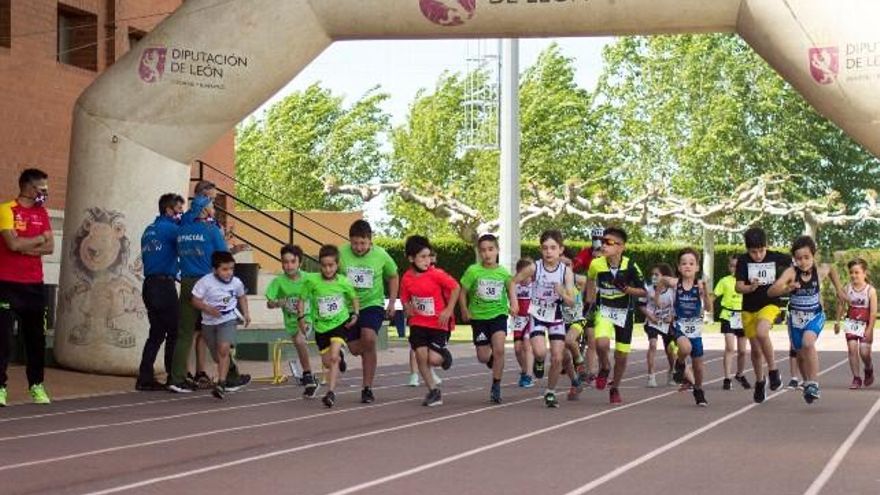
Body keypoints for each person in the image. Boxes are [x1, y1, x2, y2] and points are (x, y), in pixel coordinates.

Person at [168, 200, 249, 393]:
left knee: (185, 333)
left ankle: (177, 378)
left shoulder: (182, 231)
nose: (214, 209)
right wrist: (235, 249)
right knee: (218, 330)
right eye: (212, 205)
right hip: (209, 284)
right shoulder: (211, 230)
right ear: (204, 209)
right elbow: (223, 256)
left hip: (187, 283)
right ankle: (230, 376)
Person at [0, 169, 54, 406]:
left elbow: (50, 246)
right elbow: (11, 243)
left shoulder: (42, 213)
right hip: (6, 284)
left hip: (34, 285)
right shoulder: (6, 210)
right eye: (42, 189)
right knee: (3, 339)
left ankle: (36, 385)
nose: (45, 193)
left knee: (35, 339)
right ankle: (0, 387)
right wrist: (36, 241)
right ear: (29, 188)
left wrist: (26, 246)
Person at [516, 230, 578, 408]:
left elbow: (572, 302)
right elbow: (513, 282)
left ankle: (550, 391)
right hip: (537, 314)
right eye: (545, 248)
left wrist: (562, 294)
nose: (549, 252)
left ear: (561, 250)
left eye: (553, 248)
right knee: (541, 352)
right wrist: (514, 302)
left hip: (556, 316)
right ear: (541, 250)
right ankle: (539, 360)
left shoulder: (566, 272)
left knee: (558, 357)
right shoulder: (534, 267)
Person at [339, 220, 399, 404]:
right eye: (355, 243)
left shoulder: (381, 254)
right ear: (350, 241)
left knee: (370, 338)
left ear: (370, 241)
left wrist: (391, 302)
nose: (358, 247)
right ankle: (342, 350)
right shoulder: (341, 253)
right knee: (356, 349)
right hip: (348, 307)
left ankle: (367, 388)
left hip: (372, 304)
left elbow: (394, 275)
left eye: (363, 243)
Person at [585, 226, 646, 405]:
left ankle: (615, 388)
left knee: (621, 355)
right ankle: (604, 366)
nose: (604, 246)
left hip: (624, 313)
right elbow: (589, 279)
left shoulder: (631, 265)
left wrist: (627, 289)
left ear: (621, 247)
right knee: (601, 343)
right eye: (603, 242)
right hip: (604, 310)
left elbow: (644, 292)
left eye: (609, 243)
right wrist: (590, 301)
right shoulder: (596, 264)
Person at [767, 236, 828, 404]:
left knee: (809, 343)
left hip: (815, 315)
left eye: (807, 257)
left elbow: (831, 270)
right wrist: (787, 288)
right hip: (795, 318)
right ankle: (808, 383)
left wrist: (840, 291)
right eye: (799, 258)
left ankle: (814, 383)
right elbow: (771, 292)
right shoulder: (791, 272)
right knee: (800, 354)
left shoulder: (819, 270)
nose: (803, 262)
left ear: (813, 256)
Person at [459, 234, 518, 404]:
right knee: (483, 357)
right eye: (483, 250)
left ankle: (496, 385)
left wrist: (513, 304)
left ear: (497, 250)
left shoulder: (502, 272)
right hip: (478, 317)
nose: (487, 254)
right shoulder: (473, 271)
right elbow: (462, 291)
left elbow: (510, 289)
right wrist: (463, 309)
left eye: (491, 249)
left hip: (498, 314)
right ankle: (491, 358)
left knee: (499, 348)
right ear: (479, 252)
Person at [136, 193, 186, 391]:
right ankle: (174, 376)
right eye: (179, 211)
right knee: (175, 331)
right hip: (164, 285)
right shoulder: (171, 229)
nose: (181, 214)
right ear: (169, 210)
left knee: (156, 333)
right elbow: (188, 243)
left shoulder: (149, 230)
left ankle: (144, 377)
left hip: (149, 285)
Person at [400, 236, 457, 406]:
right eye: (422, 257)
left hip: (438, 323)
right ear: (411, 258)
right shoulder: (407, 278)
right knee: (420, 355)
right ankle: (433, 391)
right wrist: (406, 306)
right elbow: (404, 297)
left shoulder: (436, 274)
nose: (427, 261)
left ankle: (444, 355)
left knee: (433, 359)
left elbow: (455, 288)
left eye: (428, 256)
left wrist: (448, 310)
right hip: (418, 322)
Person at [734, 227, 790, 403]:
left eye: (761, 251)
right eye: (753, 252)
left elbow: (796, 264)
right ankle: (760, 381)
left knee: (762, 332)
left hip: (770, 303)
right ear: (747, 250)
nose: (758, 255)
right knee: (756, 350)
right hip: (749, 308)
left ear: (766, 246)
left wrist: (787, 283)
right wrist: (749, 288)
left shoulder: (775, 257)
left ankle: (773, 371)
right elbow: (738, 286)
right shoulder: (743, 261)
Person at [300, 245, 359, 408]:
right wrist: (301, 317)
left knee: (333, 358)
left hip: (340, 323)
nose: (327, 269)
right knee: (328, 363)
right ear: (320, 264)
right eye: (324, 265)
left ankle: (331, 393)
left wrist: (355, 314)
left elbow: (354, 298)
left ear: (337, 265)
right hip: (321, 327)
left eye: (331, 265)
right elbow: (302, 299)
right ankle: (339, 355)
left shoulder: (344, 281)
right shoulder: (312, 281)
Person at [657, 248, 713, 407]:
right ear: (679, 267)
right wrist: (657, 298)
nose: (687, 266)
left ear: (697, 267)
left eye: (691, 263)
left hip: (695, 329)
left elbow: (709, 309)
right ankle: (680, 363)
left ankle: (698, 390)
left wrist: (706, 293)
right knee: (685, 347)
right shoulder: (675, 283)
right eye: (684, 263)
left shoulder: (700, 285)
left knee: (698, 367)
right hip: (678, 325)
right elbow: (662, 281)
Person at [191, 252, 250, 400]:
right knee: (217, 356)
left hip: (228, 319)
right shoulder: (205, 282)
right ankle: (232, 370)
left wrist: (246, 314)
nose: (229, 272)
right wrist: (208, 309)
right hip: (209, 323)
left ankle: (221, 383)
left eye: (231, 268)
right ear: (214, 269)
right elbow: (195, 300)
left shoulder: (236, 282)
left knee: (224, 348)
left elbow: (241, 296)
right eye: (224, 269)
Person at [265, 244, 319, 398]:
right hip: (291, 322)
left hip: (308, 317)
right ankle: (310, 375)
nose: (289, 266)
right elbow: (269, 303)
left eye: (292, 262)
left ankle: (307, 374)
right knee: (298, 342)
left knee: (300, 340)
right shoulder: (279, 282)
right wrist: (277, 303)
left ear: (299, 263)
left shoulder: (309, 278)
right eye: (285, 262)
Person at [835, 258, 877, 389]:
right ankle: (856, 378)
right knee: (852, 349)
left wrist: (870, 329)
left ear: (864, 273)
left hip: (865, 323)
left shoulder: (870, 291)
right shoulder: (847, 288)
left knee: (864, 352)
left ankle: (868, 368)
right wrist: (837, 321)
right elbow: (841, 305)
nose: (853, 275)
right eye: (851, 272)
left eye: (857, 272)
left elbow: (873, 312)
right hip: (852, 322)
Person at [714, 256, 751, 391]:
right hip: (728, 315)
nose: (734, 268)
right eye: (732, 266)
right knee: (730, 348)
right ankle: (727, 377)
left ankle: (740, 374)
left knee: (742, 351)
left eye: (737, 266)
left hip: (743, 316)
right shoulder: (724, 281)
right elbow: (714, 295)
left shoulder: (748, 282)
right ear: (729, 267)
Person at [640, 263, 676, 388]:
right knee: (653, 344)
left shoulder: (672, 291)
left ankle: (672, 371)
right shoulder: (648, 289)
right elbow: (641, 305)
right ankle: (651, 375)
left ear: (665, 277)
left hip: (667, 323)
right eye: (652, 274)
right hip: (652, 322)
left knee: (670, 350)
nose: (654, 277)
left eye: (657, 274)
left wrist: (672, 317)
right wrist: (650, 316)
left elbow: (677, 307)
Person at [513, 257, 535, 388]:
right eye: (523, 274)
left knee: (527, 346)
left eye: (528, 274)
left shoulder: (535, 284)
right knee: (517, 349)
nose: (526, 278)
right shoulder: (514, 285)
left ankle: (528, 375)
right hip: (518, 320)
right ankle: (525, 369)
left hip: (531, 319)